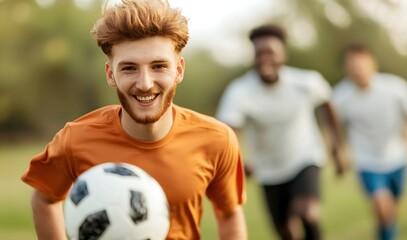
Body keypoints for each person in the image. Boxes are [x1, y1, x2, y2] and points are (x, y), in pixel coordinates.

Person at [21, 0, 247, 239]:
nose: (145, 83)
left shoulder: (217, 139)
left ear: (179, 70)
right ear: (111, 74)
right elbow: (44, 199)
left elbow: (229, 213)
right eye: (129, 68)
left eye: (159, 66)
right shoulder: (75, 139)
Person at [216, 24, 346, 240]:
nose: (265, 59)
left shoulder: (305, 82)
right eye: (259, 54)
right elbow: (227, 131)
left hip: (305, 157)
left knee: (307, 212)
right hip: (268, 169)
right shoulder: (240, 92)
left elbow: (328, 105)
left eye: (271, 53)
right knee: (285, 231)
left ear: (283, 55)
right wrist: (237, 159)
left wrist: (336, 147)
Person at [333, 43, 407, 240]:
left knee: (391, 211)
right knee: (382, 208)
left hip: (397, 157)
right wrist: (339, 152)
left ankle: (386, 232)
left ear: (373, 64)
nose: (358, 71)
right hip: (367, 162)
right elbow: (335, 128)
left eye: (361, 65)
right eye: (353, 67)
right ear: (346, 69)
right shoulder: (340, 97)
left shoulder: (395, 87)